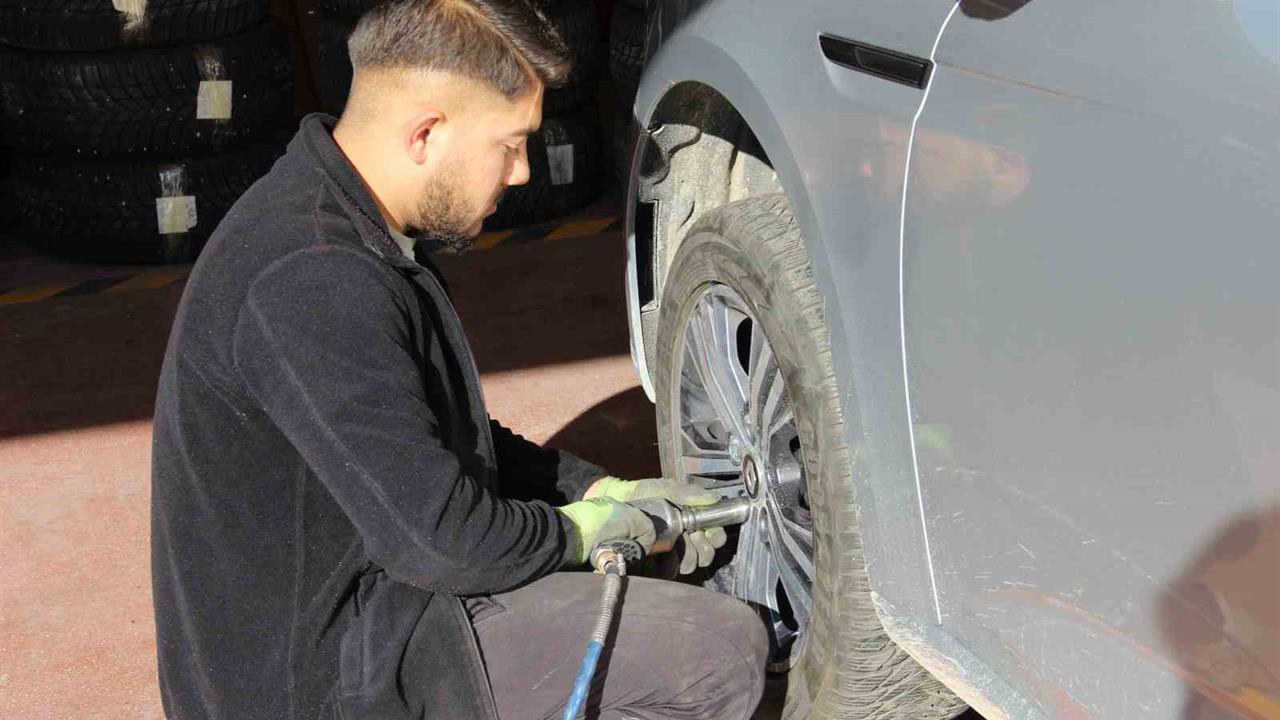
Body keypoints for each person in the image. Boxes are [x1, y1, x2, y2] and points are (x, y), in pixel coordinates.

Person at [149, 1, 767, 719]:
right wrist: (576, 534)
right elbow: (440, 542)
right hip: (323, 681)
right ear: (427, 133)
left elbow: (437, 437)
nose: (520, 172)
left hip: (366, 607)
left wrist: (597, 491)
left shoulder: (344, 221)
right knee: (718, 656)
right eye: (510, 143)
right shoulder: (311, 280)